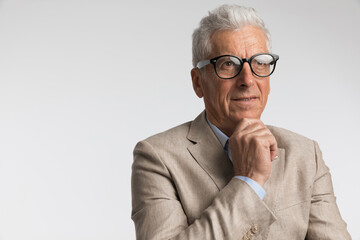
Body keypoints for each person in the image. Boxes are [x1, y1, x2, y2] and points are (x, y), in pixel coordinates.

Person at [131, 4, 351, 240]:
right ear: (198, 82)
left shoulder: (306, 155)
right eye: (228, 63)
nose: (248, 79)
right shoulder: (157, 157)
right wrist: (249, 182)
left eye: (260, 62)